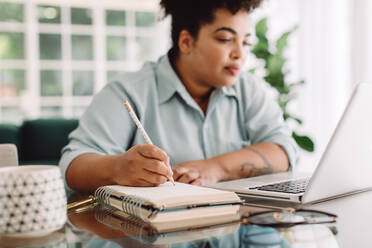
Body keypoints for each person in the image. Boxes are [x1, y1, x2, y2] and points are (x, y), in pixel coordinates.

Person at [59, 0, 297, 193]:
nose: (240, 54)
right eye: (225, 39)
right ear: (186, 41)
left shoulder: (248, 88)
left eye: (246, 42)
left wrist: (215, 168)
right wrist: (116, 168)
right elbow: (72, 165)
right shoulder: (128, 91)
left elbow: (284, 150)